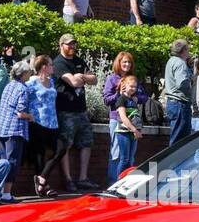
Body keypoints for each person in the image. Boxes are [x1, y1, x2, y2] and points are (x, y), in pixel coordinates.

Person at [48, 34, 98, 191]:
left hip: (81, 110)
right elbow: (74, 82)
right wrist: (81, 79)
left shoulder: (79, 61)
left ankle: (83, 178)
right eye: (69, 44)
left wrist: (81, 76)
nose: (72, 47)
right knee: (66, 145)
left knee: (86, 142)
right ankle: (68, 180)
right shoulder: (58, 63)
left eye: (74, 44)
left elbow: (94, 79)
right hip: (65, 111)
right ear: (61, 45)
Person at [0, 62, 32, 202]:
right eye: (28, 72)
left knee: (3, 161)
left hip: (0, 127)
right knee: (12, 162)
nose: (30, 74)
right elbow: (20, 113)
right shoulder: (23, 88)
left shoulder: (8, 85)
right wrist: (31, 116)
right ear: (23, 74)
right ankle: (6, 194)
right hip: (14, 130)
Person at [25, 55, 60, 196]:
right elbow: (22, 97)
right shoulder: (32, 83)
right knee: (40, 154)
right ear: (44, 67)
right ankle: (43, 188)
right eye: (51, 64)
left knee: (60, 149)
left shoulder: (51, 81)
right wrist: (27, 115)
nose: (53, 67)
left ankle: (42, 178)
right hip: (38, 122)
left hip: (53, 123)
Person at [109, 73, 145, 184]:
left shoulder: (134, 100)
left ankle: (127, 182)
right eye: (131, 86)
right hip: (124, 132)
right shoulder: (121, 99)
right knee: (124, 159)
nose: (133, 89)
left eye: (135, 87)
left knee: (131, 159)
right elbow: (123, 117)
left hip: (132, 132)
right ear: (124, 85)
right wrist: (134, 130)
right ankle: (118, 182)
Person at [162, 38, 194, 146]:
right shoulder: (180, 63)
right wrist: (192, 91)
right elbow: (182, 84)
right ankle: (173, 163)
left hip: (173, 103)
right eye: (188, 49)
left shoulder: (171, 61)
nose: (189, 52)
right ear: (184, 50)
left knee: (176, 137)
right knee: (179, 141)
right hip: (180, 104)